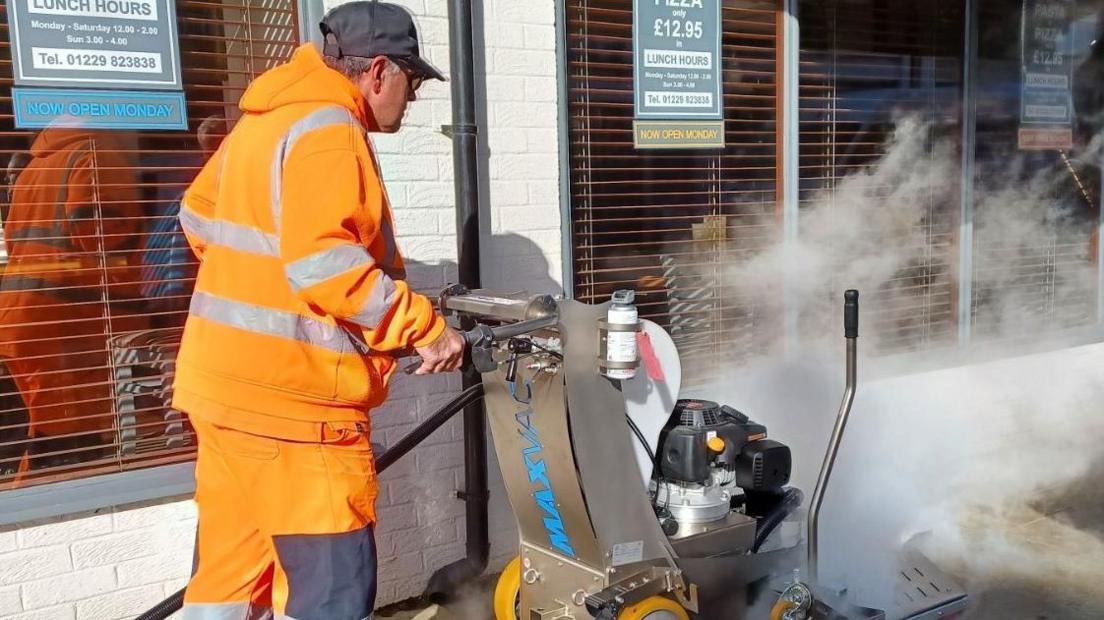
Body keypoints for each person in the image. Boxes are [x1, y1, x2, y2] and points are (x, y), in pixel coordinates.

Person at [174, 2, 465, 618]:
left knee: (224, 588)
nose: (411, 101)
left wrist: (261, 290)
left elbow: (197, 215)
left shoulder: (267, 117)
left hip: (225, 396)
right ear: (378, 72)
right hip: (299, 417)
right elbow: (324, 264)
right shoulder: (331, 128)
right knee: (329, 595)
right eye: (412, 84)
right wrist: (425, 329)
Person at [0, 124, 147, 484]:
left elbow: (13, 241)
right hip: (72, 322)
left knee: (51, 430)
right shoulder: (98, 154)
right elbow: (98, 231)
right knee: (75, 444)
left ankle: (31, 497)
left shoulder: (34, 170)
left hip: (25, 317)